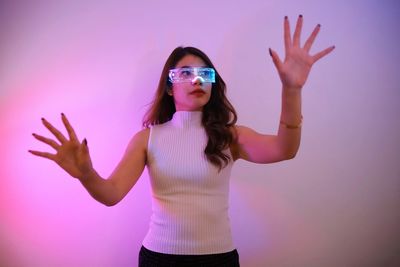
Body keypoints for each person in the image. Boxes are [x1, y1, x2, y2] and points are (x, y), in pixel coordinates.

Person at [29, 15, 334, 267]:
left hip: (219, 259)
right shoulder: (147, 139)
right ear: (169, 87)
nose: (197, 80)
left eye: (205, 74)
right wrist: (86, 174)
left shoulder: (231, 135)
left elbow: (285, 149)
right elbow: (110, 194)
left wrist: (291, 90)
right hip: (159, 260)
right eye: (185, 73)